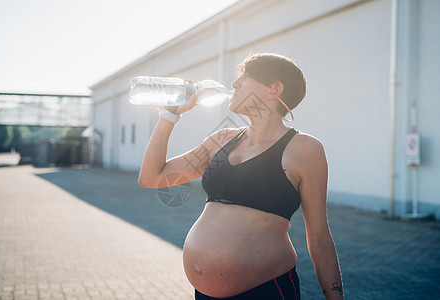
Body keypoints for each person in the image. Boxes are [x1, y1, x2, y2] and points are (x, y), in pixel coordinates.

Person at [138, 53, 343, 299]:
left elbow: (320, 240)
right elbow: (152, 177)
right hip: (204, 294)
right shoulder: (221, 140)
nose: (234, 84)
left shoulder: (304, 149)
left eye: (244, 79)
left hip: (266, 290)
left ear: (273, 89)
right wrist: (170, 114)